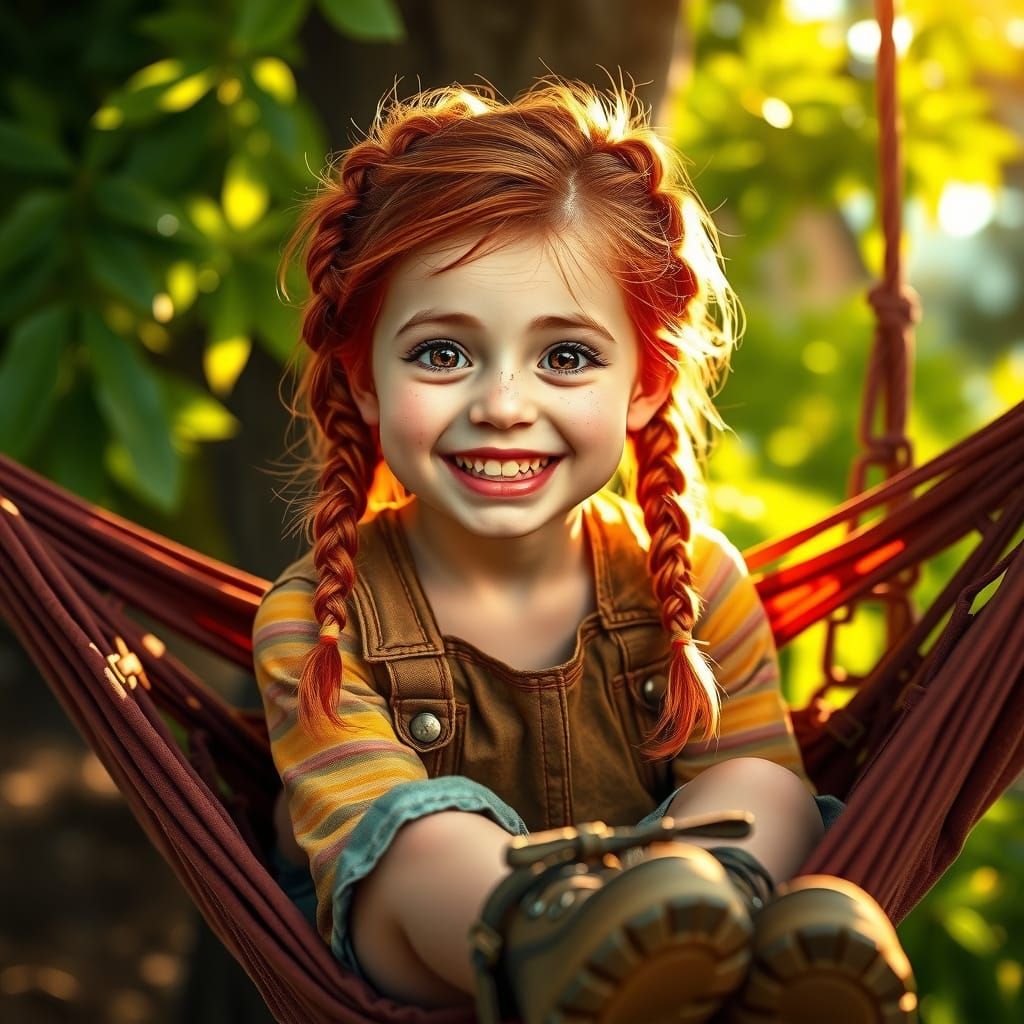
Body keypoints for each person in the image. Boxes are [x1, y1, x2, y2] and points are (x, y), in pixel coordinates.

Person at [254, 78, 916, 1023]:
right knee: (421, 836)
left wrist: (669, 880)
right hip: (441, 955)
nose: (503, 404)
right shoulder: (320, 615)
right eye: (442, 354)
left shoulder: (692, 588)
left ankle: (716, 954)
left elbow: (768, 804)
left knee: (762, 788)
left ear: (647, 382)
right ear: (362, 378)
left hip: (673, 922)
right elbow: (359, 842)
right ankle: (554, 937)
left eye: (566, 357)